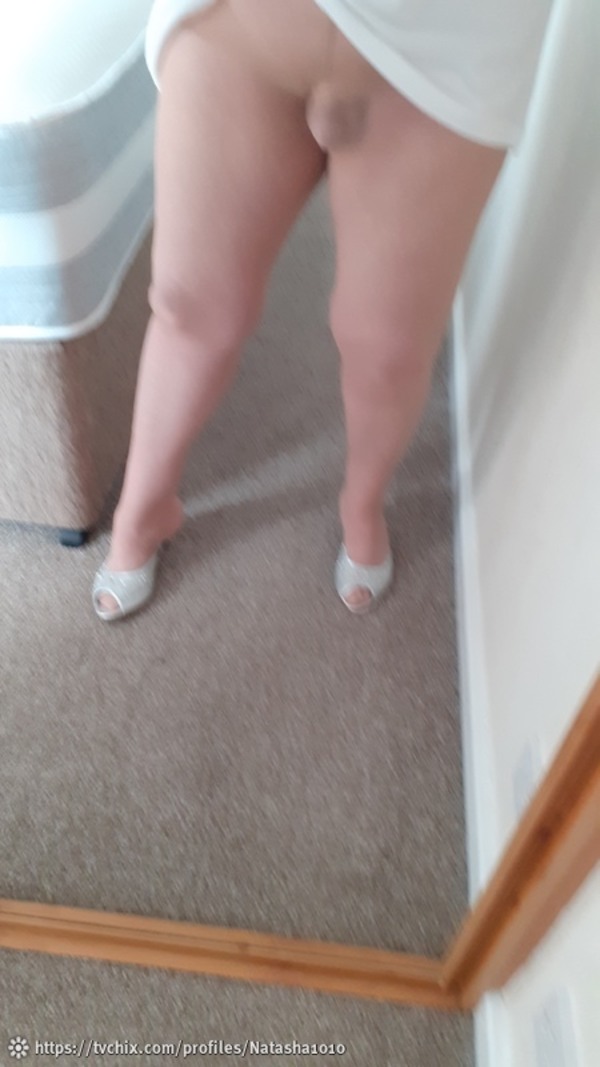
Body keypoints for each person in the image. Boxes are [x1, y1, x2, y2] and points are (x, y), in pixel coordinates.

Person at [92, 0, 551, 621]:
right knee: (189, 303)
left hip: (450, 53)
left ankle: (362, 503)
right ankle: (143, 509)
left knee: (386, 348)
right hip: (247, 23)